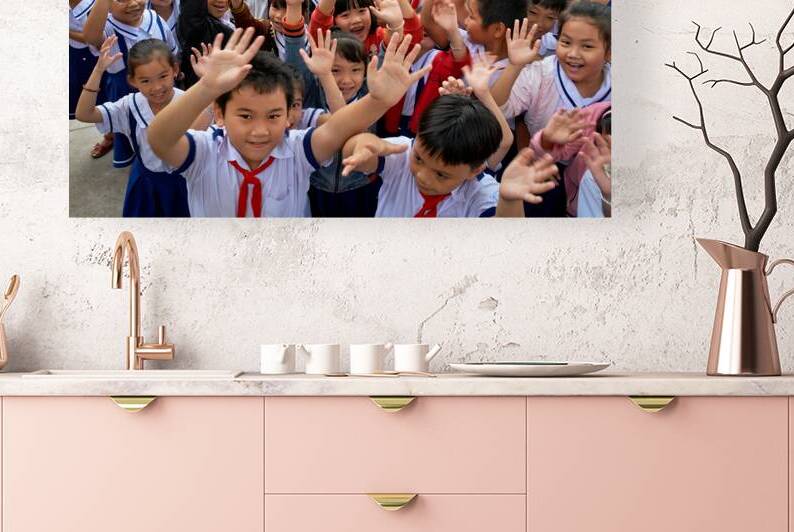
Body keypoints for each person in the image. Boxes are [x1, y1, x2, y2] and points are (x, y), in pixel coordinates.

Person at [147, 28, 433, 217]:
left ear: (289, 115)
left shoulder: (297, 150)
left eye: (273, 116)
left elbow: (338, 126)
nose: (260, 130)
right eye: (245, 115)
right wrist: (208, 88)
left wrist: (378, 100)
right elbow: (159, 139)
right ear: (220, 115)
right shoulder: (204, 151)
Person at [340, 92, 557, 217]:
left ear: (477, 169)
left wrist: (510, 201)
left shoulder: (482, 195)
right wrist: (363, 144)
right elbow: (355, 149)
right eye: (419, 159)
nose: (423, 176)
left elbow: (505, 238)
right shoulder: (403, 153)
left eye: (442, 175)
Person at [492, 0, 610, 215]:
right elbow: (499, 108)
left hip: (598, 182)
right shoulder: (541, 73)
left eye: (587, 46)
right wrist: (515, 65)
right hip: (541, 172)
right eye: (565, 42)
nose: (573, 53)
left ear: (609, 52)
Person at [76, 38, 209, 216]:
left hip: (186, 184)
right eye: (145, 81)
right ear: (132, 81)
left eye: (163, 76)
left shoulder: (190, 101)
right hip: (146, 186)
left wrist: (210, 86)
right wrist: (99, 70)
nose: (157, 87)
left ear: (175, 70)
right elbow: (84, 114)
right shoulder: (129, 106)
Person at [82, 0, 179, 168]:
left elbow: (172, 52)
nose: (133, 3)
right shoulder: (107, 28)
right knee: (132, 136)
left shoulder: (155, 19)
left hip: (164, 94)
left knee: (169, 132)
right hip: (123, 94)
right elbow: (90, 37)